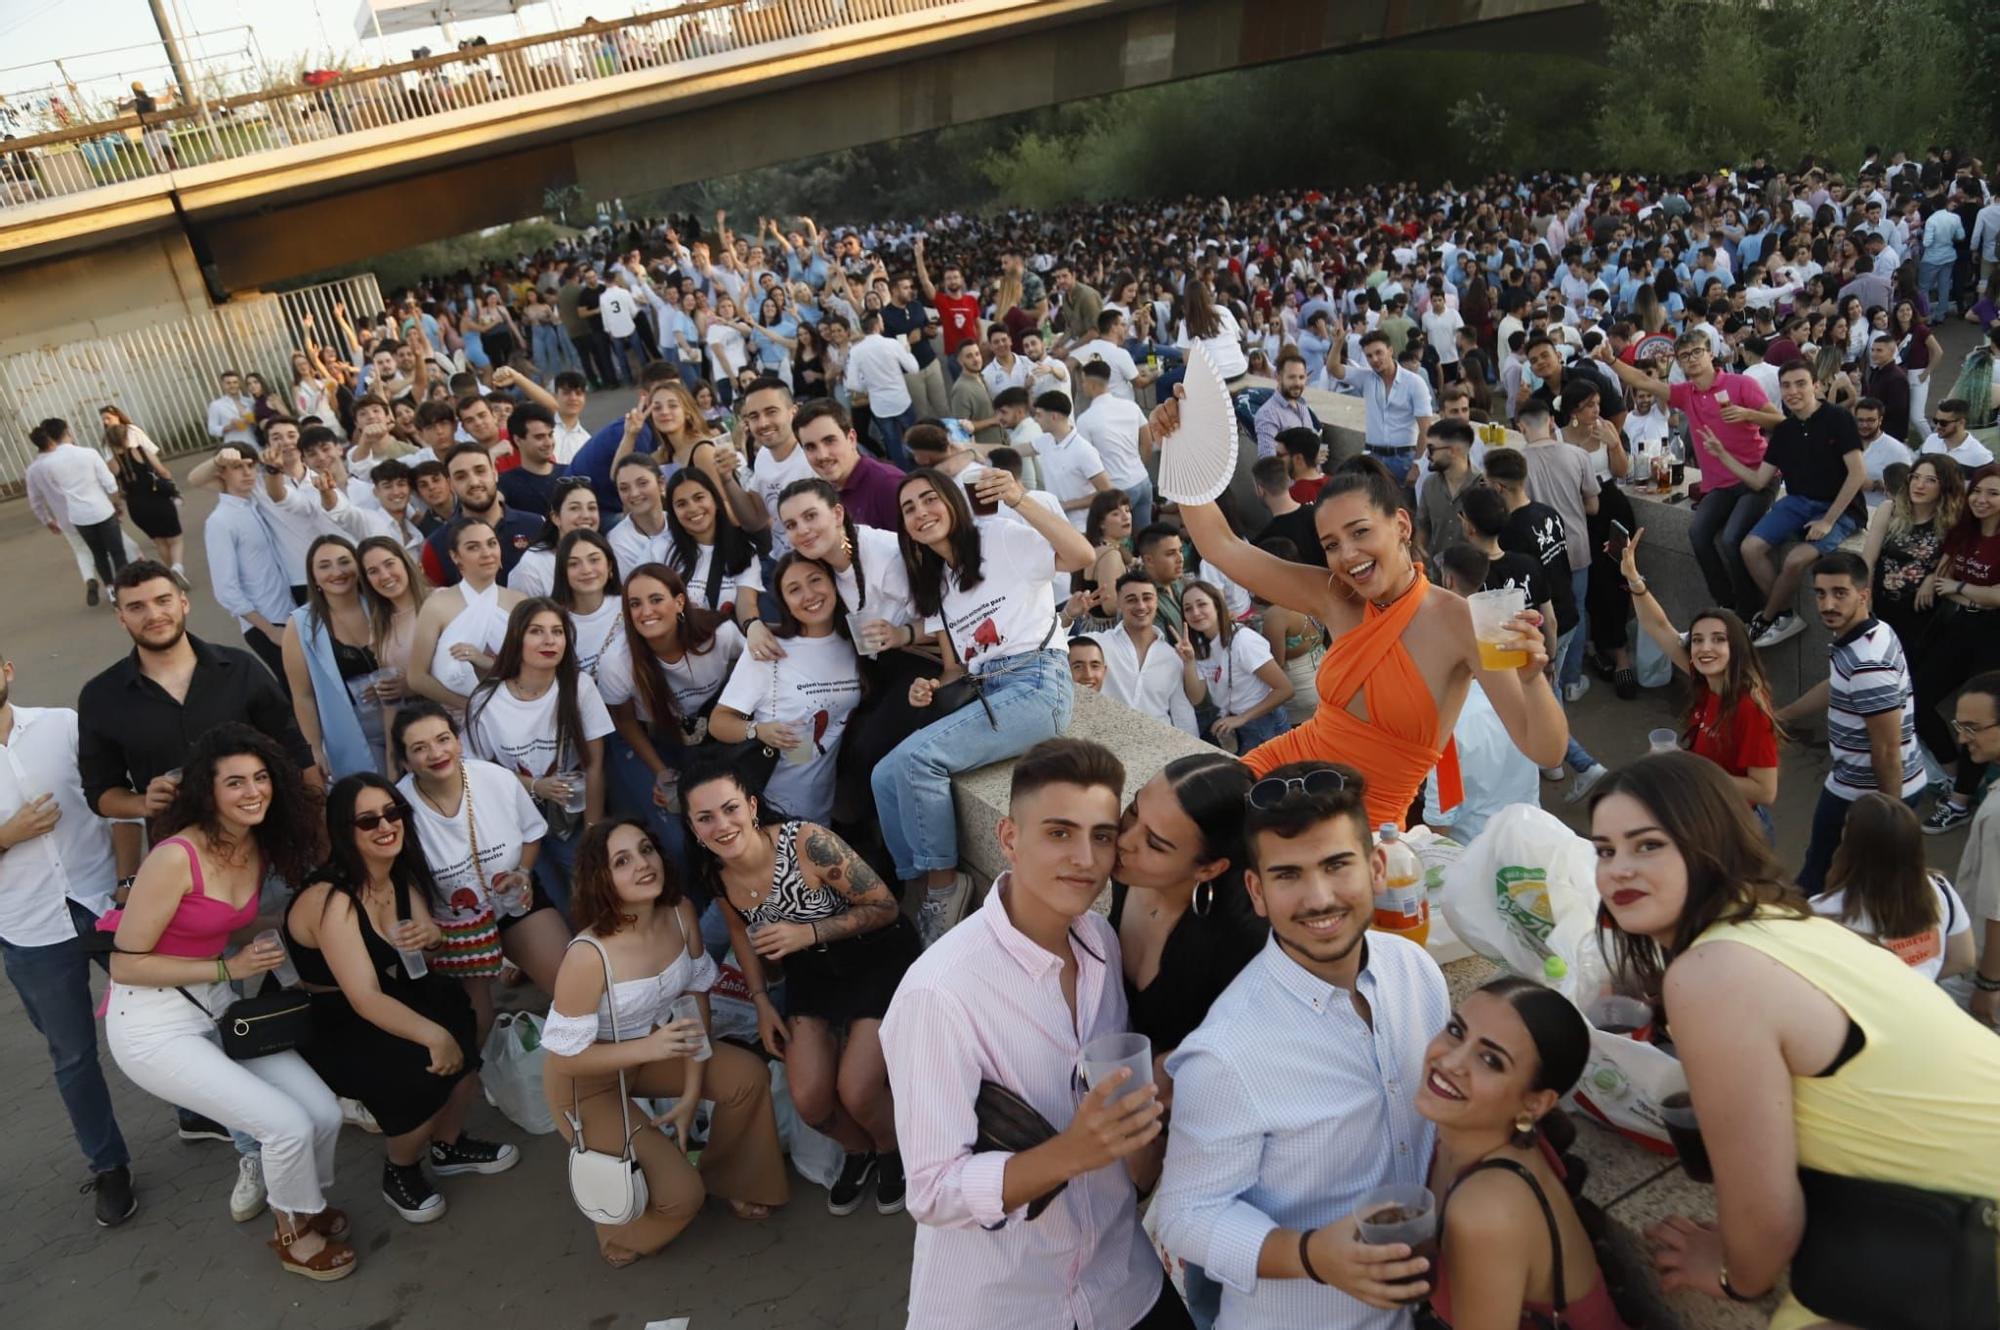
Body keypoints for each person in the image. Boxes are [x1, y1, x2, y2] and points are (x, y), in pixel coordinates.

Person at [1589, 752, 2000, 1327]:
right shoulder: (1787, 921)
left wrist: (1737, 1276)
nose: (1617, 870)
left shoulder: (1712, 971)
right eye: (1604, 850)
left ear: (1708, 840)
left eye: (1647, 844)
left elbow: (1766, 1215)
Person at [880, 738, 1189, 1330]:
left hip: (1121, 1280)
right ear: (1009, 838)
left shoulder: (1098, 942)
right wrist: (1072, 1152)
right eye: (1058, 833)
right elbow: (931, 1190)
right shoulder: (939, 994)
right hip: (1006, 1303)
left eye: (1101, 835)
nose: (1085, 858)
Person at [1159, 398, 1566, 830]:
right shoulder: (1335, 596)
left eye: (1360, 532)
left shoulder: (1460, 621)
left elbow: (1546, 751)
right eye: (1331, 544)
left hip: (1361, 831)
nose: (1347, 555)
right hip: (1279, 774)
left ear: (1402, 526)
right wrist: (1180, 442)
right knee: (1170, 812)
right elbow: (1222, 547)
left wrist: (1531, 678)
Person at [1153, 761, 1450, 1328]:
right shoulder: (1227, 1052)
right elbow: (1186, 1216)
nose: (1318, 898)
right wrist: (1312, 1255)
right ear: (1256, 892)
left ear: (1376, 867)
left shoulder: (1417, 972)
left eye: (1337, 865)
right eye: (1288, 875)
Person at [102, 724, 354, 1281]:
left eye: (261, 778)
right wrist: (228, 967)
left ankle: (304, 1202)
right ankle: (292, 1233)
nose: (252, 791)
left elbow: (230, 925)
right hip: (151, 1026)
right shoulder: (175, 857)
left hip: (216, 1008)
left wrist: (321, 917)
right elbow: (124, 962)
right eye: (235, 782)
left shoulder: (254, 845)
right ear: (207, 792)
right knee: (283, 1125)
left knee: (322, 1112)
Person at [542, 817, 789, 1265]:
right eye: (622, 860)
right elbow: (564, 1058)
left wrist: (692, 1088)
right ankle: (621, 1237)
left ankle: (732, 1179)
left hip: (656, 1050)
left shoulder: (680, 913)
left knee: (746, 1077)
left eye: (646, 850)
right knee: (681, 1197)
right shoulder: (586, 955)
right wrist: (650, 1049)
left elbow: (695, 995)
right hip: (587, 1083)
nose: (642, 864)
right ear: (601, 878)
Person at [685, 757, 920, 1215]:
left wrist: (808, 933)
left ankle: (893, 1150)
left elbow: (886, 907)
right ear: (694, 829)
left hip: (876, 959)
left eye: (730, 808)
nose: (722, 825)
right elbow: (740, 933)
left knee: (857, 1090)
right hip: (813, 977)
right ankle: (860, 1152)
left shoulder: (807, 843)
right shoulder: (715, 871)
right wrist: (761, 1003)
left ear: (752, 806)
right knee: (811, 1101)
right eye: (706, 818)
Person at [874, 466, 1096, 942]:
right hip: (987, 691)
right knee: (884, 775)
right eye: (908, 508)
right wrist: (930, 687)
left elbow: (1081, 554)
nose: (920, 513)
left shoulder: (997, 538)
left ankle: (944, 885)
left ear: (954, 501)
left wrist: (1018, 499)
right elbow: (956, 669)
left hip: (1038, 684)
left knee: (918, 760)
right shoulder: (938, 582)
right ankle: (913, 886)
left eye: (929, 499)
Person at [285, 773, 517, 1225]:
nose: (385, 826)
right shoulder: (332, 899)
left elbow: (422, 945)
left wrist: (432, 937)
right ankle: (401, 1170)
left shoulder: (396, 875)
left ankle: (448, 1145)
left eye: (393, 813)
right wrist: (434, 1037)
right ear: (343, 831)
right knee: (416, 1068)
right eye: (368, 821)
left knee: (462, 1027)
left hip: (389, 990)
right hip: (334, 1015)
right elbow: (364, 997)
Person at [1108, 753, 1269, 1324]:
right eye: (1131, 816)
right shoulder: (1125, 876)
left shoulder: (1243, 942)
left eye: (1155, 844)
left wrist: (1180, 1061)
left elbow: (1271, 1040)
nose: (1123, 842)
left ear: (1208, 869)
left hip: (1207, 1151)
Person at [0, 652, 134, 1227]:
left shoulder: (63, 725)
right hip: (28, 927)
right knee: (74, 1056)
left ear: (7, 669)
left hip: (105, 900)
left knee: (170, 1011)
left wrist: (128, 887)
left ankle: (197, 1111)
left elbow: (119, 804)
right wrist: (6, 836)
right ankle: (109, 1167)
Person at [1417, 977, 1630, 1329]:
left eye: (1490, 1060)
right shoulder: (1461, 1142)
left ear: (1535, 1104)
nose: (1451, 1061)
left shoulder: (1486, 1210)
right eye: (1456, 1030)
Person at [391, 701, 569, 1038]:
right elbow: (401, 879)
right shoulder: (399, 809)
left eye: (443, 739)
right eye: (420, 747)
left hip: (513, 904)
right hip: (451, 927)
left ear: (458, 742)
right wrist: (426, 926)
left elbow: (531, 835)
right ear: (404, 761)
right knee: (473, 1026)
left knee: (573, 986)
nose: (436, 752)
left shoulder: (496, 779)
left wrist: (524, 873)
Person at [1597, 331, 1779, 619]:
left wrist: (1747, 414)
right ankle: (1727, 603)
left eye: (1696, 352)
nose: (1691, 359)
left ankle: (1749, 611)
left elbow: (1779, 421)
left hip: (1756, 477)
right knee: (1698, 533)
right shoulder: (1685, 394)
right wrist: (1611, 360)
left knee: (1733, 539)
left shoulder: (1741, 383)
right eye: (1684, 356)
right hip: (1719, 484)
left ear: (1710, 354)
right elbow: (1643, 381)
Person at [1774, 552, 1927, 891]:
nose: (1827, 603)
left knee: (1822, 876)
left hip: (1866, 793)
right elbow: (1837, 687)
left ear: (1864, 595)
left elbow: (1886, 750)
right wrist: (1782, 716)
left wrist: (1890, 820)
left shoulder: (1868, 664)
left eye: (1839, 593)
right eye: (1820, 593)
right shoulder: (1868, 634)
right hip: (1867, 783)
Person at [1618, 531, 1781, 835]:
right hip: (1708, 813)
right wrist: (1633, 578)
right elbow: (1658, 626)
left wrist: (1687, 767)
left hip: (1738, 829)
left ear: (1737, 649)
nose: (1705, 648)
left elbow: (1764, 791)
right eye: (1698, 640)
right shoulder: (1705, 680)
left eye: (1718, 640)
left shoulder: (1749, 707)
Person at [1697, 362, 1869, 648]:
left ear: (1816, 385)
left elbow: (1858, 474)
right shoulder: (1785, 430)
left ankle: (1765, 618)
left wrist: (1828, 519)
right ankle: (1785, 615)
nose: (1793, 391)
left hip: (1841, 508)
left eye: (1800, 383)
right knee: (1749, 548)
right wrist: (1722, 454)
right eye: (1786, 386)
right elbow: (1758, 481)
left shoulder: (1838, 418)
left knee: (1795, 559)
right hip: (1797, 502)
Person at [464, 598, 615, 916]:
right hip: (512, 817)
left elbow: (595, 765)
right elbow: (477, 772)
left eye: (557, 632)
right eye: (537, 631)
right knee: (549, 899)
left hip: (570, 811)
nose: (549, 640)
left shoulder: (579, 686)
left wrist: (592, 833)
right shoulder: (486, 698)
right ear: (517, 638)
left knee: (590, 889)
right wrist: (535, 786)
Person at [707, 553, 862, 827]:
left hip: (823, 810)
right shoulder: (769, 649)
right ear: (784, 602)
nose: (809, 594)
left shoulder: (854, 644)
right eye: (794, 589)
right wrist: (759, 731)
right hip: (767, 810)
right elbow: (719, 723)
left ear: (834, 583)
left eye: (816, 580)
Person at [1912, 465, 2000, 835]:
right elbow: (1943, 567)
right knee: (1916, 698)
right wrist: (1932, 582)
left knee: (1978, 720)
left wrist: (1959, 588)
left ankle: (1961, 800)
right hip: (1958, 628)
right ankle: (1952, 774)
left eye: (1993, 493)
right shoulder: (1964, 529)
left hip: (1993, 636)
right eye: (1978, 491)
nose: (1981, 499)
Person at [1811, 793, 1973, 982]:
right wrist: (1919, 982)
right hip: (1922, 1004)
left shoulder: (1824, 911)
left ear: (1852, 842)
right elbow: (1964, 958)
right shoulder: (1940, 890)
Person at [281, 535, 390, 782]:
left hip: (401, 716)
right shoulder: (301, 625)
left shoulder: (380, 605)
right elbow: (303, 696)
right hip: (352, 730)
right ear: (313, 576)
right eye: (324, 566)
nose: (337, 572)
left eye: (344, 562)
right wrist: (315, 749)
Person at [203, 445, 305, 682]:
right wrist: (270, 630)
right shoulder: (220, 521)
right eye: (238, 467)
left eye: (251, 465)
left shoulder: (256, 505)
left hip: (291, 612)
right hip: (267, 623)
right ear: (221, 474)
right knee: (299, 691)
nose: (247, 472)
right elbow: (225, 589)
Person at [408, 517, 527, 712]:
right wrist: (471, 707)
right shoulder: (437, 605)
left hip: (519, 708)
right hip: (462, 716)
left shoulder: (519, 602)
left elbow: (532, 663)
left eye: (492, 543)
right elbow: (416, 677)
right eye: (473, 547)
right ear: (455, 556)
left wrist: (487, 662)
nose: (487, 553)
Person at [1859, 451, 1962, 649]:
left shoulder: (1953, 521)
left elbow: (1952, 561)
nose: (1919, 485)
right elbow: (1868, 560)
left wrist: (1933, 577)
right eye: (1915, 477)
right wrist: (1866, 599)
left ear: (1946, 486)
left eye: (1930, 480)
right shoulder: (1889, 509)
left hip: (1921, 611)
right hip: (1880, 602)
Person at [24, 418, 129, 604]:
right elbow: (109, 483)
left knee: (98, 554)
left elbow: (54, 488)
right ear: (67, 431)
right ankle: (124, 589)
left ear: (50, 437)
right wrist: (116, 503)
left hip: (78, 516)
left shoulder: (47, 465)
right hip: (102, 509)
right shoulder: (89, 453)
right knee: (117, 551)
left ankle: (111, 589)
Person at [1181, 581, 1293, 751]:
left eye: (1202, 604)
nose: (1195, 613)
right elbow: (1196, 698)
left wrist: (1242, 718)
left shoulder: (1243, 641)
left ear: (1217, 606)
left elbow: (1285, 690)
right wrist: (1189, 662)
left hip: (1264, 723)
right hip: (1236, 724)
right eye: (1188, 608)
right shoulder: (1200, 645)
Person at [418, 444, 543, 589]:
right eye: (461, 476)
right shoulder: (437, 545)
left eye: (480, 471)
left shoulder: (536, 526)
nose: (474, 482)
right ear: (451, 485)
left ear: (495, 473)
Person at [1327, 328, 1436, 484]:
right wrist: (1338, 342)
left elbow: (1425, 429)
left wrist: (1418, 465)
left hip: (1404, 459)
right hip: (1373, 458)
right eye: (1369, 356)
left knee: (1403, 506)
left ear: (1390, 350)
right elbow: (1333, 369)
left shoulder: (1414, 383)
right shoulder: (1365, 378)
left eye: (1379, 352)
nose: (1375, 359)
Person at [1100, 572, 1202, 736]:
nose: (1141, 606)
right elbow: (1053, 650)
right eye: (1131, 600)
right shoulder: (1099, 645)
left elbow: (1183, 715)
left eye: (1147, 598)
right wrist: (1068, 616)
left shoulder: (1173, 656)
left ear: (1156, 601)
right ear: (1119, 603)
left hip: (1156, 747)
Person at [663, 467, 765, 627]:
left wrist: (753, 628)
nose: (692, 508)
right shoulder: (662, 548)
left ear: (715, 500)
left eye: (699, 498)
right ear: (673, 512)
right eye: (681, 504)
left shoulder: (743, 550)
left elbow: (747, 604)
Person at [796, 397, 905, 532]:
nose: (822, 455)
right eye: (811, 447)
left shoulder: (888, 486)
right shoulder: (824, 492)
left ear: (851, 439)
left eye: (829, 441)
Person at [101, 406, 183, 575]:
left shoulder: (111, 463)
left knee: (159, 541)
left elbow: (113, 488)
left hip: (136, 506)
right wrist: (173, 488)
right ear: (126, 437)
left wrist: (116, 506)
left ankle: (172, 576)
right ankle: (177, 568)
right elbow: (163, 471)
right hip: (158, 500)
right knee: (175, 539)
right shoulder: (140, 451)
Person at [506, 474, 601, 599]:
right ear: (556, 517)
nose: (585, 515)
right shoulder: (531, 568)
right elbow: (523, 616)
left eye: (592, 507)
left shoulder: (605, 553)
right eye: (574, 508)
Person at [552, 528, 625, 678]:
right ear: (562, 572)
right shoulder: (553, 621)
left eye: (594, 560)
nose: (586, 570)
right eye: (573, 564)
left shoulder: (631, 606)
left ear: (609, 565)